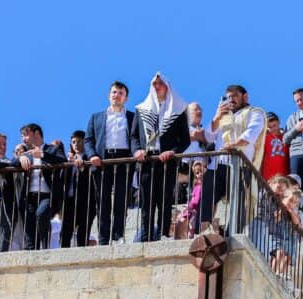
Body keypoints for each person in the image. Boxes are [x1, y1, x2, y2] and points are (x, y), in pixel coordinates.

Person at [131, 73, 190, 242]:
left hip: (167, 163)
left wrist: (172, 151)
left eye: (160, 83)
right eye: (154, 83)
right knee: (146, 202)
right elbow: (134, 136)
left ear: (167, 86)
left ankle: (164, 234)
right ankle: (147, 236)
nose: (157, 86)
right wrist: (137, 151)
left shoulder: (178, 110)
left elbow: (185, 140)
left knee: (164, 200)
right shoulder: (141, 109)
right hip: (146, 162)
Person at [199, 84, 267, 230]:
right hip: (218, 165)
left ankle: (232, 235)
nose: (231, 99)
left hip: (240, 166)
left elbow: (250, 135)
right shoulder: (223, 116)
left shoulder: (255, 113)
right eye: (228, 97)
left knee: (239, 205)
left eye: (235, 95)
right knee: (206, 199)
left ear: (245, 96)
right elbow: (208, 137)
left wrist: (233, 145)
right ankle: (203, 232)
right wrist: (216, 117)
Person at [83, 81, 136, 246]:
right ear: (109, 95)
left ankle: (118, 236)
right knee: (102, 201)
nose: (117, 95)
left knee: (121, 200)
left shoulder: (132, 118)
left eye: (121, 93)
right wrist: (92, 155)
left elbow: (135, 139)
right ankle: (104, 238)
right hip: (102, 160)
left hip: (124, 160)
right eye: (114, 92)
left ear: (125, 98)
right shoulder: (96, 117)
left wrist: (136, 153)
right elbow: (88, 140)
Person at [16, 123, 67, 250]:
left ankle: (45, 248)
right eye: (22, 136)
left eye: (26, 135)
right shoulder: (26, 154)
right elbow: (11, 163)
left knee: (41, 214)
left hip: (47, 195)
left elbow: (62, 160)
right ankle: (30, 252)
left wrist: (43, 155)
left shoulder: (53, 149)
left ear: (37, 133)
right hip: (29, 196)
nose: (24, 139)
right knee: (29, 224)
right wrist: (21, 157)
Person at [59, 130, 92, 248]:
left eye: (79, 141)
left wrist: (83, 166)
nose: (76, 145)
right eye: (73, 142)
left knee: (83, 231)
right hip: (70, 199)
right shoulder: (69, 160)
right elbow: (62, 179)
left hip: (86, 199)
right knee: (65, 232)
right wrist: (67, 164)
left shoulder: (89, 157)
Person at [261, 113, 290, 180]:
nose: (272, 129)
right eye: (269, 127)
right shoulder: (264, 139)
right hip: (268, 177)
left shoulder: (286, 137)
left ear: (279, 122)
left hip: (284, 176)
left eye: (274, 125)